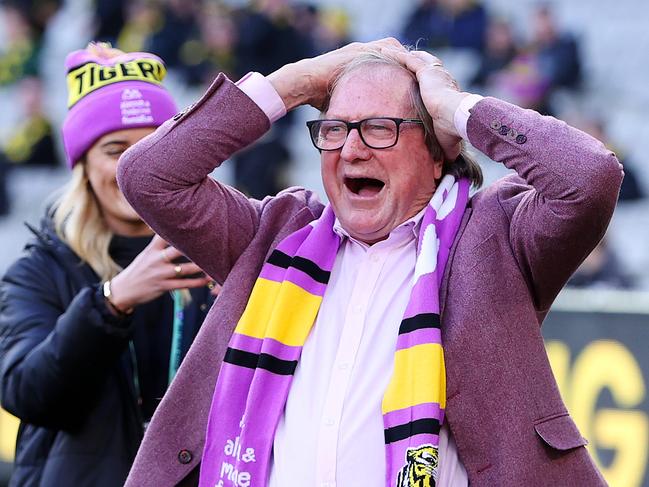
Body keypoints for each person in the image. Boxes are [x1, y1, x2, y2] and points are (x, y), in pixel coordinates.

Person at [117, 38, 622, 486]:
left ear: (436, 151)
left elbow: (589, 177)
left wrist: (454, 106)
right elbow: (149, 176)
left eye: (379, 128)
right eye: (335, 130)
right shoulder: (273, 235)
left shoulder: (496, 237)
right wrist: (295, 83)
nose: (352, 150)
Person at [0, 43, 215, 487]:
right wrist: (111, 302)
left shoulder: (218, 257)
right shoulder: (41, 270)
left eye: (152, 148)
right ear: (82, 165)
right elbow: (30, 394)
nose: (134, 169)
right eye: (115, 150)